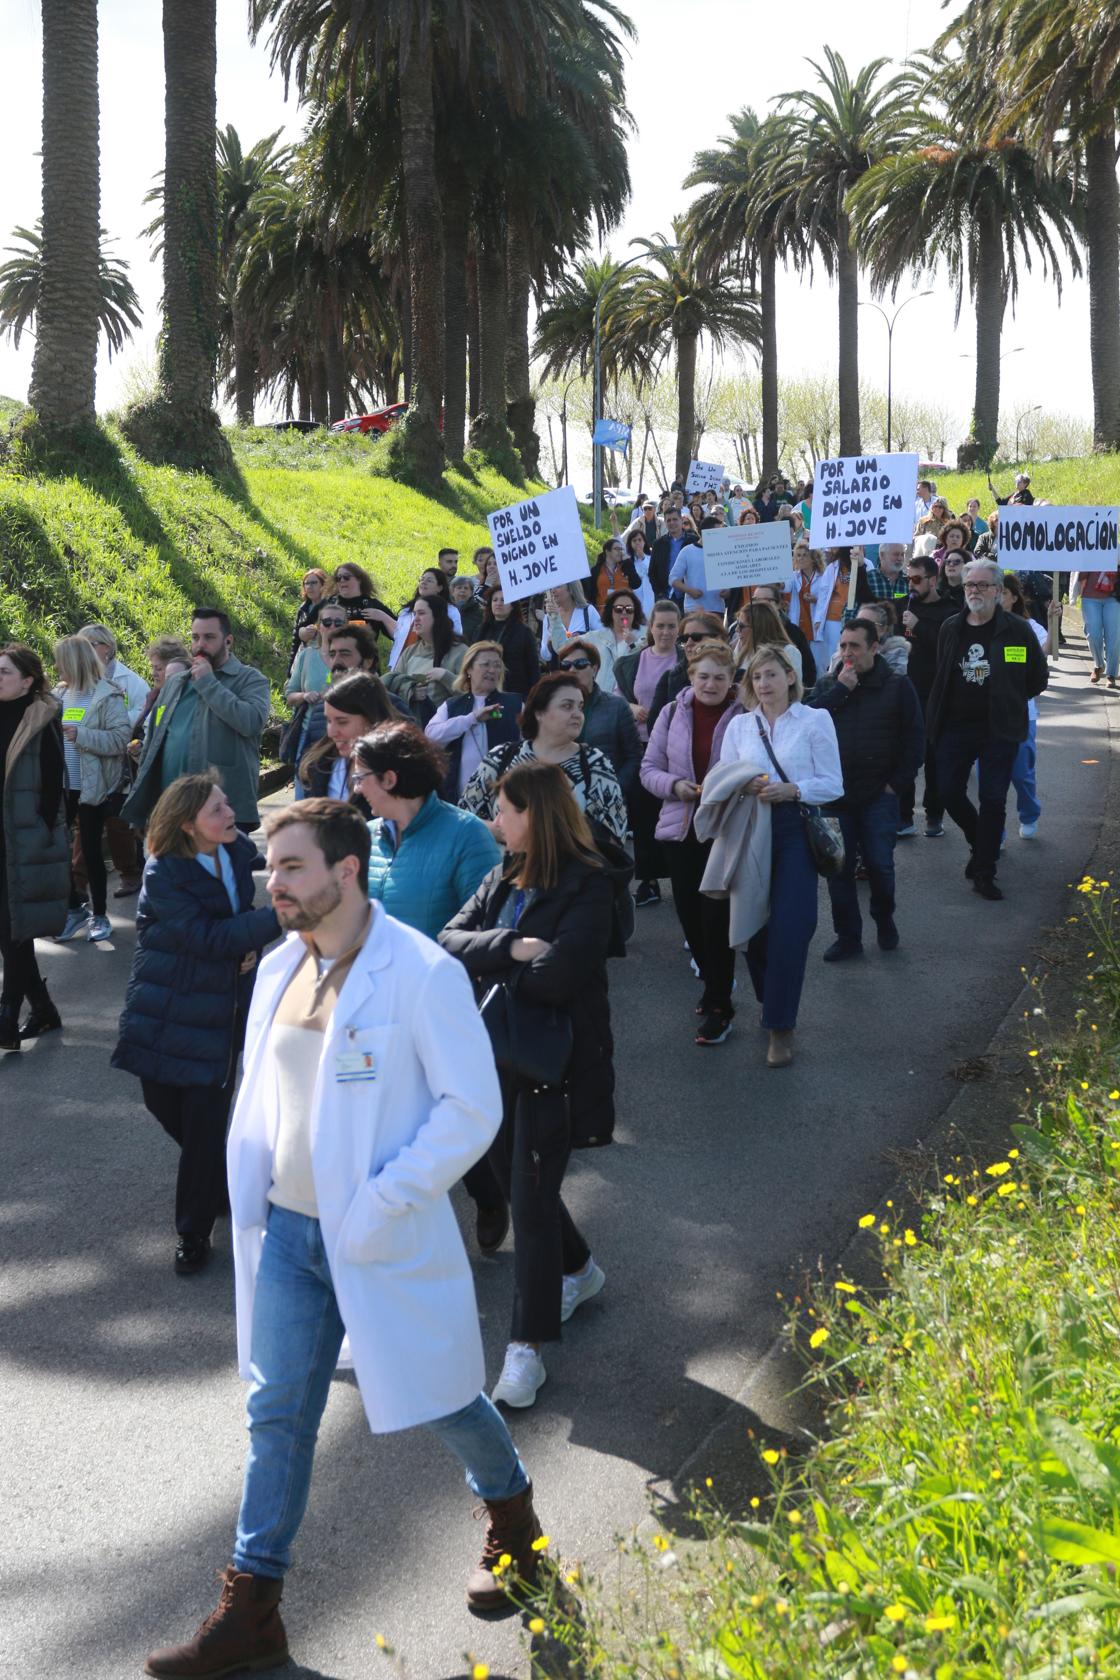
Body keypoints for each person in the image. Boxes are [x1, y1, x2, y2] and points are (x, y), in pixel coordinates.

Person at [142, 801, 546, 1678]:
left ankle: (515, 1524)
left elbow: (472, 1108)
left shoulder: (422, 971)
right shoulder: (281, 964)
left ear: (346, 870)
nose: (272, 884)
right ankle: (253, 1610)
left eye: (290, 867)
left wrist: (384, 1199)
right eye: (272, 869)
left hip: (379, 1231)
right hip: (289, 1234)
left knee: (441, 1394)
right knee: (278, 1413)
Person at [440, 762, 613, 1409]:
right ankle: (582, 1271)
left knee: (531, 1204)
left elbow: (560, 978)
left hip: (554, 1069)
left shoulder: (589, 884)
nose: (494, 820)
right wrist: (512, 948)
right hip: (494, 1060)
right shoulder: (505, 873)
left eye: (504, 810)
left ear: (533, 816)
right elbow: (449, 938)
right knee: (524, 1185)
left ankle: (525, 1352)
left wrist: (501, 966)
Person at [112, 773, 280, 1276]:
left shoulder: (234, 851)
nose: (231, 814)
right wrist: (280, 917)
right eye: (216, 810)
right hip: (165, 1006)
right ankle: (222, 1177)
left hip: (221, 1007)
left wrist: (251, 940)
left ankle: (192, 1231)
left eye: (227, 804)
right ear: (188, 825)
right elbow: (204, 936)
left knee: (205, 1119)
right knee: (161, 1101)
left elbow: (241, 909)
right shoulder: (163, 871)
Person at [352, 723, 507, 1250]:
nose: (356, 787)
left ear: (391, 778)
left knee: (444, 1113)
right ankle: (397, 1225)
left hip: (441, 1007)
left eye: (363, 776)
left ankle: (488, 1194)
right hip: (372, 1004)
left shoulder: (467, 835)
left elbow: (486, 927)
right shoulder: (367, 835)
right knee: (384, 1117)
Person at [719, 645, 843, 1067]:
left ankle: (780, 1027)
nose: (764, 684)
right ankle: (774, 994)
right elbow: (722, 778)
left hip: (794, 828)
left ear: (790, 677)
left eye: (771, 675)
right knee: (755, 930)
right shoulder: (740, 726)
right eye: (756, 678)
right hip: (751, 829)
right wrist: (744, 784)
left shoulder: (815, 720)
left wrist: (795, 790)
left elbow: (834, 783)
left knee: (794, 924)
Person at [926, 558, 1049, 900]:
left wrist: (1008, 697)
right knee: (948, 791)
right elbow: (943, 672)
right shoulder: (951, 627)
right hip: (956, 726)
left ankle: (984, 870)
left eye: (981, 585)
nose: (974, 591)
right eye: (969, 585)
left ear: (998, 591)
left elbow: (1037, 678)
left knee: (993, 797)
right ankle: (982, 841)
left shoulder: (1018, 630)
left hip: (999, 728)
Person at [640, 640, 744, 1045]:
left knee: (716, 920)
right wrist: (676, 785)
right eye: (704, 676)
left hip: (722, 830)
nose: (711, 684)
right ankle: (713, 985)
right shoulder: (671, 712)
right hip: (680, 829)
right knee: (690, 918)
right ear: (691, 676)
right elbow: (649, 769)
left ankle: (721, 1004)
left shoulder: (743, 717)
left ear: (732, 679)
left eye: (720, 676)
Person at [806, 620, 924, 959]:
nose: (847, 653)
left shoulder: (897, 687)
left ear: (874, 648)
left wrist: (895, 785)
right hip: (835, 797)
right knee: (837, 870)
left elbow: (914, 739)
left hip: (877, 796)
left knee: (879, 865)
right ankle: (848, 937)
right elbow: (805, 722)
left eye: (854, 646)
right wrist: (840, 690)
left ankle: (883, 918)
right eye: (843, 646)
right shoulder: (830, 683)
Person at [123, 608, 271, 836]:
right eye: (195, 637)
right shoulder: (176, 683)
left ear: (228, 641)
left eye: (209, 637)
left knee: (220, 872)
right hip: (173, 808)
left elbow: (250, 722)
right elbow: (156, 737)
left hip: (223, 810)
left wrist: (209, 683)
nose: (200, 645)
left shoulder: (250, 679)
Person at [460, 672, 629, 844]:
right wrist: (503, 831)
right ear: (539, 712)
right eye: (567, 706)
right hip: (506, 868)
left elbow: (613, 836)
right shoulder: (501, 757)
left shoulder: (594, 763)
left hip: (569, 869)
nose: (577, 714)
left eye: (580, 706)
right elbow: (464, 819)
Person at [0, 645, 69, 1050]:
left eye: (4, 672)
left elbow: (51, 784)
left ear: (27, 680)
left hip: (22, 836)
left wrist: (42, 829)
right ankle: (42, 1009)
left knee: (14, 929)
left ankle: (7, 1015)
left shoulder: (41, 717)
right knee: (7, 929)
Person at [51, 635, 131, 945]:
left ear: (74, 662)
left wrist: (81, 734)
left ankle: (100, 915)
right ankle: (74, 908)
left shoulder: (107, 696)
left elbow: (119, 741)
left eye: (61, 660)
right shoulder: (59, 695)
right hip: (62, 787)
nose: (57, 666)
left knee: (92, 855)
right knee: (56, 852)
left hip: (92, 787)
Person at [614, 600, 682, 907]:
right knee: (644, 816)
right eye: (660, 626)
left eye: (671, 626)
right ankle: (649, 880)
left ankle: (681, 877)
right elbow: (618, 697)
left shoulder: (686, 660)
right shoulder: (632, 662)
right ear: (650, 628)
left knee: (676, 814)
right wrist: (631, 707)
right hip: (642, 746)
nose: (666, 632)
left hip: (676, 746)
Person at [76, 622, 149, 896]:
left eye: (91, 644)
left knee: (117, 821)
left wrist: (113, 728)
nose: (86, 651)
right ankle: (77, 882)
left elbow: (145, 713)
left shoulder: (130, 681)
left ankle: (130, 874)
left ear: (108, 648)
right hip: (87, 759)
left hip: (120, 762)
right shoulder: (78, 680)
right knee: (86, 821)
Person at [898, 555, 957, 838]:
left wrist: (919, 625)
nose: (911, 584)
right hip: (907, 694)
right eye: (908, 578)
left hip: (936, 695)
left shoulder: (950, 610)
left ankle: (934, 814)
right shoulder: (905, 605)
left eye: (917, 579)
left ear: (933, 580)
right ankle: (903, 816)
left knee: (934, 760)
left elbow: (947, 647)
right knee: (906, 757)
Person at [426, 642, 522, 800]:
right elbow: (430, 737)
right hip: (459, 800)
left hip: (505, 799)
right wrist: (472, 718)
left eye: (497, 665)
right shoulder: (452, 705)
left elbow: (531, 745)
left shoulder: (515, 704)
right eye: (485, 664)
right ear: (469, 669)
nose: (492, 670)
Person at [555, 639, 643, 799]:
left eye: (580, 664)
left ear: (594, 669)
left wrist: (614, 788)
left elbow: (634, 757)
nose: (572, 670)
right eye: (566, 665)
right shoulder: (551, 710)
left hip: (606, 800)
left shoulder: (617, 707)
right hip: (563, 801)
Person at [299, 672, 399, 804]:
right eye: (328, 721)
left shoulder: (397, 772)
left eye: (342, 722)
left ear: (371, 719)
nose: (331, 733)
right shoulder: (319, 765)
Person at [1001, 571, 1050, 839]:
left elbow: (1044, 654)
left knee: (1021, 774)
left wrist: (1053, 621)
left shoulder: (1030, 628)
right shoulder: (974, 625)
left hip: (1023, 714)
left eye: (1003, 593)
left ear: (1014, 598)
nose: (997, 598)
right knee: (990, 783)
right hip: (986, 717)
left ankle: (1029, 813)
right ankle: (993, 836)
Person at [285, 603, 350, 796]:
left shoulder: (353, 656)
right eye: (327, 622)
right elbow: (290, 695)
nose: (332, 627)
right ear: (319, 626)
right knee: (304, 794)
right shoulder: (307, 656)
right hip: (310, 734)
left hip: (343, 735)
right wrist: (305, 696)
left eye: (338, 622)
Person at [385, 595, 466, 726]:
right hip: (412, 726)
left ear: (437, 617)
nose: (415, 619)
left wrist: (446, 676)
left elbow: (472, 692)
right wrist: (411, 692)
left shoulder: (460, 652)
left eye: (421, 613)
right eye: (414, 614)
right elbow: (394, 683)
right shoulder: (410, 651)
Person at [646, 610, 728, 732]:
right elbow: (654, 726)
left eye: (696, 637)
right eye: (684, 639)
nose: (689, 643)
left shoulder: (738, 677)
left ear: (717, 638)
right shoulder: (670, 677)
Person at [389, 568, 464, 668]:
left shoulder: (450, 611)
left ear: (440, 587)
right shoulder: (406, 611)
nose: (424, 582)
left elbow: (454, 636)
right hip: (401, 664)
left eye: (429, 580)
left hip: (430, 664)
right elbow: (398, 640)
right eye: (422, 579)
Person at [748, 583, 817, 686]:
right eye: (756, 600)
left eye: (766, 600)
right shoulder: (744, 629)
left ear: (778, 604)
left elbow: (808, 672)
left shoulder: (793, 632)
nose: (760, 605)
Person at [479, 588, 541, 697]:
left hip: (515, 693)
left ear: (512, 606)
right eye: (495, 600)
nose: (498, 603)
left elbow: (533, 667)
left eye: (503, 600)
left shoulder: (524, 632)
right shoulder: (482, 630)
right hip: (486, 691)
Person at [588, 588, 645, 695]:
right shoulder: (597, 637)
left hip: (630, 703)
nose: (624, 613)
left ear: (635, 612)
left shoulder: (644, 636)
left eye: (629, 609)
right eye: (618, 609)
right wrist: (553, 615)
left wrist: (634, 645)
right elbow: (562, 646)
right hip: (603, 700)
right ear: (611, 611)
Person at [326, 562, 398, 648]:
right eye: (338, 578)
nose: (342, 580)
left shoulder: (372, 605)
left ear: (359, 579)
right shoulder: (329, 603)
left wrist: (383, 617)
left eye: (346, 577)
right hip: (333, 657)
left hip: (365, 658)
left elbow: (399, 634)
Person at [1072, 566, 1120, 689]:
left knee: (1113, 637)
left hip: (1114, 597)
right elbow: (1079, 573)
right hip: (1089, 597)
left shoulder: (1116, 549)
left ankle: (1111, 675)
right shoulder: (1088, 549)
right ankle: (1099, 665)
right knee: (1093, 634)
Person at [734, 600, 804, 682]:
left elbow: (794, 689)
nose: (737, 629)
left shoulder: (789, 652)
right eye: (737, 624)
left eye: (741, 626)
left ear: (758, 628)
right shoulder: (741, 647)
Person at [669, 521, 725, 617]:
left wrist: (728, 591)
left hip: (717, 608)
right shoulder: (687, 551)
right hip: (693, 609)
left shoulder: (723, 551)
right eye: (718, 531)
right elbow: (673, 579)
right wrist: (690, 590)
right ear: (706, 532)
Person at [539, 579, 601, 664]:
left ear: (571, 589)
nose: (553, 590)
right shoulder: (548, 618)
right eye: (551, 587)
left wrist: (583, 639)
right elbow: (545, 656)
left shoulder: (587, 611)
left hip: (585, 670)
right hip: (561, 673)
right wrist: (549, 644)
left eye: (558, 586)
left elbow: (604, 639)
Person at [649, 507, 699, 600]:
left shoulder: (693, 540)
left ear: (681, 520)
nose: (672, 522)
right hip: (665, 596)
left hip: (689, 595)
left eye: (675, 519)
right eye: (668, 520)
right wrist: (659, 593)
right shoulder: (658, 544)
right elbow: (652, 572)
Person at [289, 568, 329, 667]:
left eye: (314, 583)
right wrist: (290, 669)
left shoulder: (331, 608)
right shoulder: (303, 608)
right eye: (307, 583)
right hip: (302, 658)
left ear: (323, 585)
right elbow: (296, 641)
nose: (310, 587)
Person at [588, 537, 639, 612]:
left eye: (621, 549)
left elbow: (636, 584)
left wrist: (628, 563)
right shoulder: (596, 570)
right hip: (603, 613)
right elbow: (590, 594)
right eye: (616, 549)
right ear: (607, 551)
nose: (620, 552)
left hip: (624, 612)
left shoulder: (626, 567)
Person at [450, 574, 486, 645]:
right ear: (452, 592)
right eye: (459, 588)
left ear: (471, 592)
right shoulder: (447, 610)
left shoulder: (479, 612)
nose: (462, 591)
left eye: (466, 588)